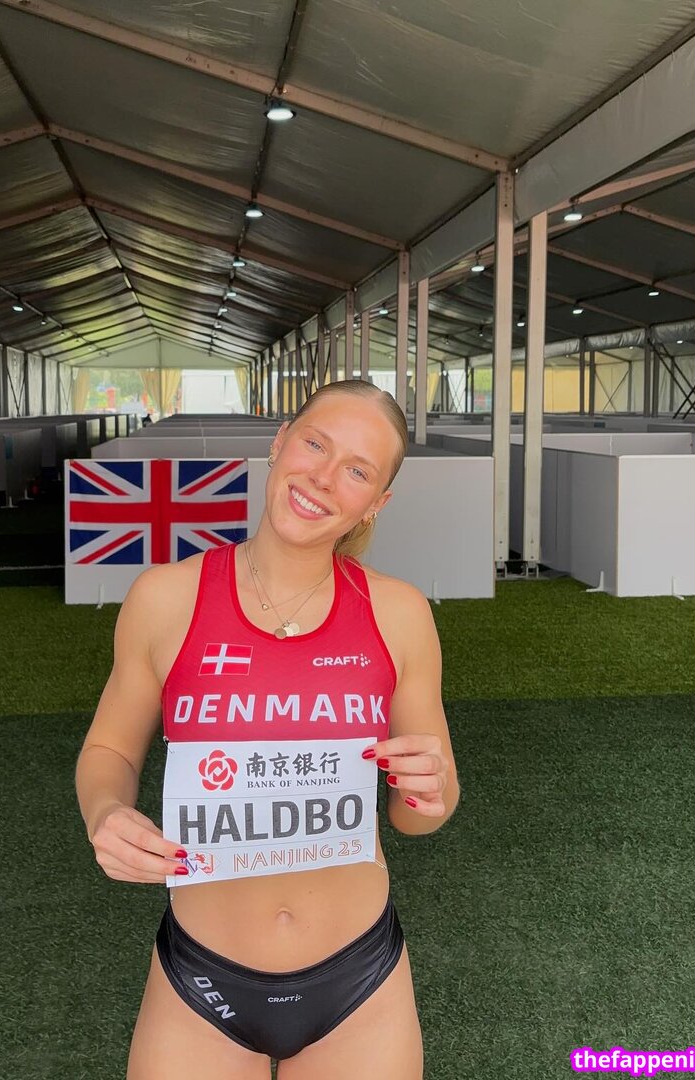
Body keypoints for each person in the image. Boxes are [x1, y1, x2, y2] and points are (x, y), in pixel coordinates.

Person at [76, 378, 460, 1079]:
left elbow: (420, 816)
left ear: (377, 502)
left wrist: (426, 789)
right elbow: (109, 748)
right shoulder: (165, 597)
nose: (323, 477)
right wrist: (105, 810)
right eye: (315, 444)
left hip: (359, 982)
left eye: (357, 471)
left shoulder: (400, 613)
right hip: (201, 979)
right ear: (280, 442)